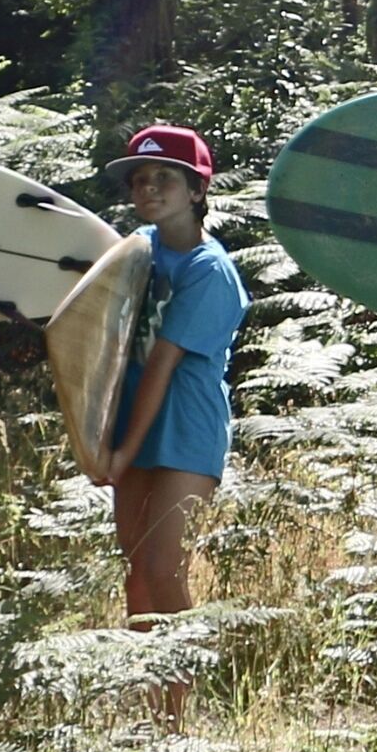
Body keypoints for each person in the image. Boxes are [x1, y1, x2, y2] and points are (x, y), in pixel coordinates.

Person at [101, 123, 246, 644]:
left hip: (185, 429)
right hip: (136, 421)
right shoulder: (139, 246)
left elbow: (161, 363)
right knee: (136, 570)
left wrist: (121, 453)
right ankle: (151, 692)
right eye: (140, 178)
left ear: (197, 189)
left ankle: (188, 685)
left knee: (164, 570)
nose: (149, 188)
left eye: (165, 177)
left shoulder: (210, 270)